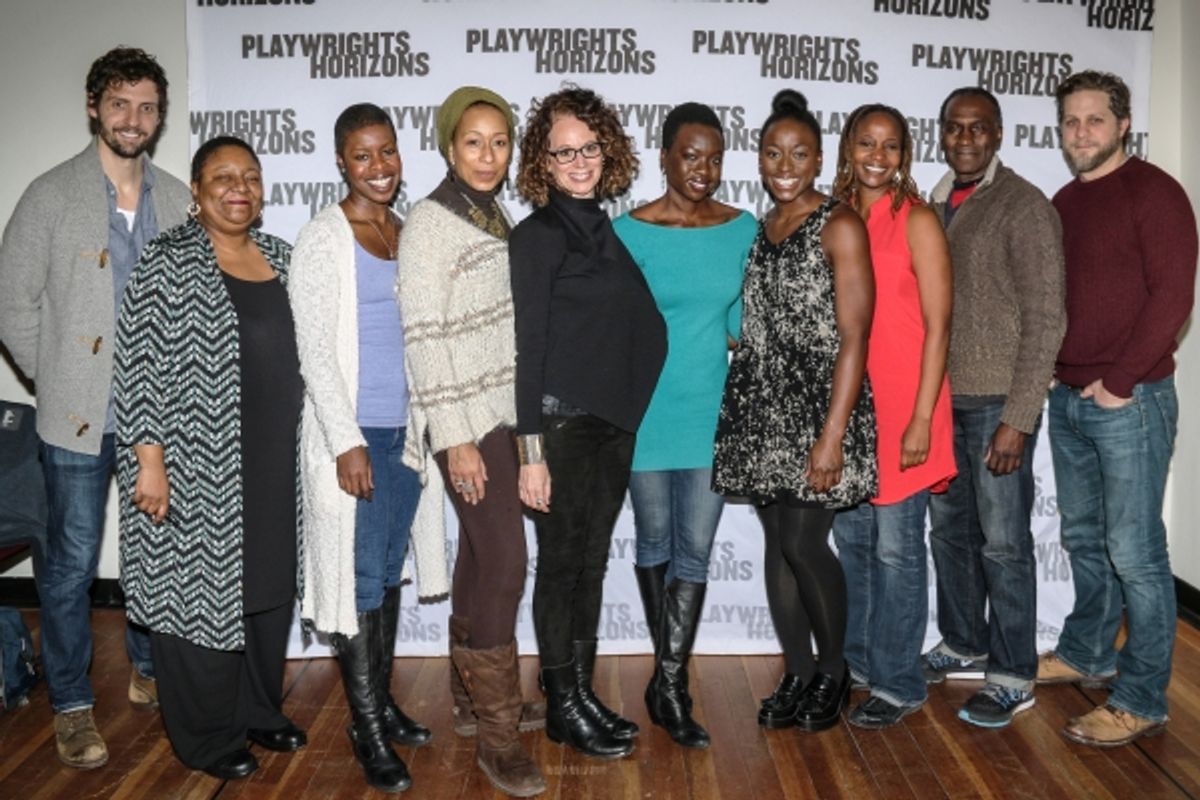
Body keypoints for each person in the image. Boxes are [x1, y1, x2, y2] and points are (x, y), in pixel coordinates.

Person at [0, 47, 191, 769]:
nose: (133, 119)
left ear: (159, 115)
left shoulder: (177, 198)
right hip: (77, 421)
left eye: (146, 106)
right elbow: (12, 303)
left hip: (162, 422)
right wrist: (58, 379)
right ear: (93, 108)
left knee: (157, 552)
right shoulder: (50, 195)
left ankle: (147, 671)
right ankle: (73, 705)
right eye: (119, 104)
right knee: (72, 564)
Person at [113, 136, 305, 780]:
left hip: (275, 458)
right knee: (195, 598)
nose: (238, 187)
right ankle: (204, 735)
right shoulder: (168, 261)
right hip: (196, 464)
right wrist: (149, 459)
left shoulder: (281, 256)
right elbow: (136, 366)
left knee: (268, 588)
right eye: (222, 177)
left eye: (250, 176)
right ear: (196, 193)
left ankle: (258, 708)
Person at [290, 103, 447, 794]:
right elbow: (315, 354)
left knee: (385, 576)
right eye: (362, 155)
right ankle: (368, 731)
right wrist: (346, 442)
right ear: (340, 162)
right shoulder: (325, 238)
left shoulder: (405, 232)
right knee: (356, 586)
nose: (378, 166)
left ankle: (378, 703)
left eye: (387, 152)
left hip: (405, 436)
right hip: (352, 439)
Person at [397, 86, 546, 797]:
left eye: (499, 142)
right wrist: (454, 439)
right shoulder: (430, 222)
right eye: (473, 142)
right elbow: (423, 339)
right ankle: (498, 736)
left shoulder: (490, 213)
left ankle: (468, 701)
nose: (488, 155)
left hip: (501, 414)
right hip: (467, 421)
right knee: (508, 563)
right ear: (449, 146)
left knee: (484, 560)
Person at [712, 89, 876, 733]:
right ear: (760, 158)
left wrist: (831, 437)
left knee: (808, 544)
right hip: (761, 407)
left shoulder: (839, 224)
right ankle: (798, 670)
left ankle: (834, 673)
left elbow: (855, 336)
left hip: (818, 412)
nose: (784, 164)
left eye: (798, 154)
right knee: (780, 547)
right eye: (773, 152)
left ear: (818, 161)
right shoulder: (763, 227)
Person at [509, 85, 666, 759]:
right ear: (543, 161)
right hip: (561, 429)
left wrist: (628, 405)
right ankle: (561, 701)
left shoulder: (604, 227)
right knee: (562, 566)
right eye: (563, 151)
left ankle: (578, 695)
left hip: (608, 428)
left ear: (608, 148)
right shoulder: (537, 237)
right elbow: (527, 350)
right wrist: (530, 451)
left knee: (592, 565)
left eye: (588, 148)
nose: (578, 162)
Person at [1041, 70, 1197, 747]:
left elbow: (1172, 300)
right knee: (1083, 539)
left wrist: (1121, 382)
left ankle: (1141, 698)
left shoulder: (1156, 193)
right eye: (1072, 121)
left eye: (1095, 120)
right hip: (1070, 401)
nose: (1082, 132)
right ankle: (1087, 653)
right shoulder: (1064, 202)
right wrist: (1053, 368)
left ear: (1123, 125)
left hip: (1129, 401)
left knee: (1135, 552)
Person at [612, 102, 756, 750]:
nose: (704, 168)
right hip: (644, 413)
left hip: (709, 413)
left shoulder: (742, 228)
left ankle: (668, 684)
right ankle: (669, 680)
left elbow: (741, 325)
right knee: (654, 543)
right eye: (691, 154)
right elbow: (608, 325)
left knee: (694, 549)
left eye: (716, 156)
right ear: (664, 155)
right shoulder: (629, 232)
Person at [923, 87, 1066, 728]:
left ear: (999, 133)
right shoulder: (933, 202)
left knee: (1004, 545)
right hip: (942, 402)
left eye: (978, 128)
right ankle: (963, 640)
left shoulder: (1024, 206)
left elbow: (1046, 319)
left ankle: (1012, 673)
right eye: (954, 129)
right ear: (943, 135)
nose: (965, 139)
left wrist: (1020, 416)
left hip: (995, 406)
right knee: (950, 534)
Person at [830, 104, 956, 729]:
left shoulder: (919, 220)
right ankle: (859, 662)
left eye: (891, 146)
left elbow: (938, 328)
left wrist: (922, 419)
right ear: (848, 148)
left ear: (904, 155)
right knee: (852, 543)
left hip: (908, 410)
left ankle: (900, 682)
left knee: (896, 551)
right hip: (851, 414)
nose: (877, 156)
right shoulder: (836, 219)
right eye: (866, 143)